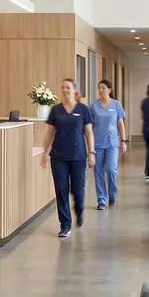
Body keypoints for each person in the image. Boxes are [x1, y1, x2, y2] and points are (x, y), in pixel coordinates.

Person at [40, 78, 95, 238]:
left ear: (74, 90)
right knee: (61, 190)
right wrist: (45, 151)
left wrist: (92, 153)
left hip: (78, 156)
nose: (65, 90)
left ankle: (79, 210)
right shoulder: (56, 110)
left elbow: (89, 132)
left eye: (68, 87)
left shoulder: (84, 109)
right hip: (58, 156)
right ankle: (65, 224)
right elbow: (49, 132)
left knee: (77, 191)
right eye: (63, 87)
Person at [90, 80, 126, 210]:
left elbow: (120, 123)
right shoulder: (93, 106)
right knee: (98, 172)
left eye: (103, 88)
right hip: (98, 143)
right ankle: (101, 200)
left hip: (112, 143)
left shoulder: (116, 105)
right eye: (99, 88)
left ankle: (112, 194)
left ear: (109, 90)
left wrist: (123, 140)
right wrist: (89, 146)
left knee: (111, 170)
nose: (101, 90)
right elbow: (89, 126)